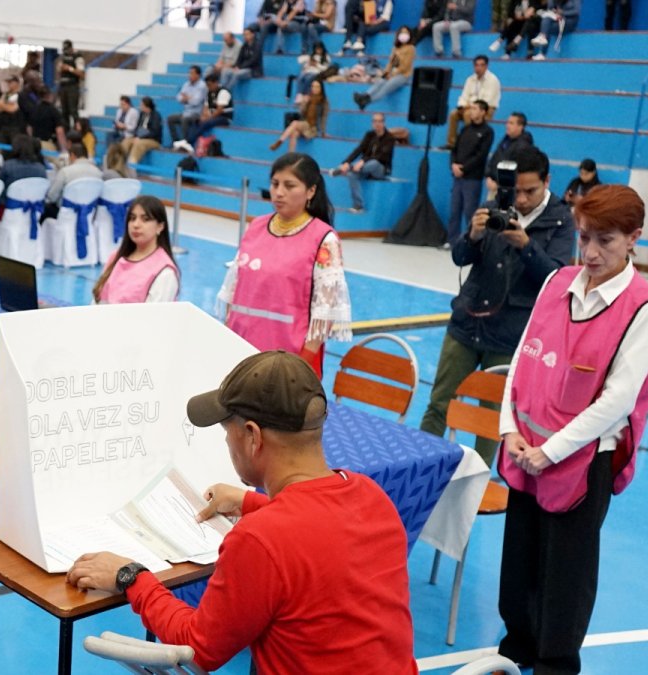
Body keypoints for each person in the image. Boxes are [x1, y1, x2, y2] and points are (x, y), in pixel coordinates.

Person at [66, 350, 416, 675]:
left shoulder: (260, 539)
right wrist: (250, 503)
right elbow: (320, 531)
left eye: (225, 429)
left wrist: (132, 577)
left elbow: (198, 647)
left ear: (253, 437)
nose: (225, 441)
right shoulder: (372, 495)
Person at [497, 184, 648, 675]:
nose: (590, 252)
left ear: (634, 238)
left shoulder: (645, 307)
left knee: (565, 575)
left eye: (606, 241)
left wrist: (551, 452)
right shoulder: (557, 284)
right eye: (584, 237)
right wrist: (510, 429)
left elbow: (618, 400)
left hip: (580, 461)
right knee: (520, 563)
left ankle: (555, 663)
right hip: (525, 448)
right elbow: (523, 356)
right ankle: (517, 646)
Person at [420, 146, 574, 465]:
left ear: (548, 181)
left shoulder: (561, 222)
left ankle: (473, 490)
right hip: (468, 323)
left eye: (529, 191)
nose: (520, 200)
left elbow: (557, 282)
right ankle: (418, 466)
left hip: (510, 335)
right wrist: (474, 236)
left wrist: (527, 247)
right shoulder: (494, 206)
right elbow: (460, 258)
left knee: (492, 419)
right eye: (514, 191)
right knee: (439, 403)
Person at [219, 153, 351, 376]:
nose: (279, 192)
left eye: (290, 185)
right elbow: (234, 291)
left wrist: (302, 364)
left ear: (311, 191)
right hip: (240, 353)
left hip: (289, 361)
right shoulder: (256, 227)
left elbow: (324, 312)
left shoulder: (324, 240)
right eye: (275, 184)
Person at [91, 196, 179, 303]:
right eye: (132, 218)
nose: (136, 225)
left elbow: (155, 316)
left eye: (145, 219)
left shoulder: (165, 272)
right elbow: (97, 301)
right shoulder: (116, 257)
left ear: (160, 226)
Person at [446, 100, 495, 244]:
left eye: (474, 108)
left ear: (483, 112)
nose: (471, 112)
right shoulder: (465, 129)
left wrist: (464, 168)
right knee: (454, 210)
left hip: (472, 178)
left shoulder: (487, 132)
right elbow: (455, 149)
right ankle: (451, 240)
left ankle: (470, 240)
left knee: (470, 211)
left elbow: (481, 155)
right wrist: (453, 165)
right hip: (458, 177)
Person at [333, 112, 395, 213]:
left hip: (380, 169)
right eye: (375, 121)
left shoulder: (389, 138)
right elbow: (359, 149)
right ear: (372, 123)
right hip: (365, 168)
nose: (377, 124)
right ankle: (358, 206)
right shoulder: (369, 135)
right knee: (351, 175)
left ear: (384, 123)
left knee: (374, 163)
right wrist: (347, 161)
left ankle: (344, 169)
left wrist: (363, 161)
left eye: (380, 121)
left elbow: (381, 156)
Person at [352, 25, 415, 109]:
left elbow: (405, 66)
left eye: (406, 33)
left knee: (386, 87)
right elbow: (390, 63)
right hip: (392, 73)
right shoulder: (396, 48)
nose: (404, 34)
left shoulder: (411, 48)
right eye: (402, 32)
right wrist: (386, 72)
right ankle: (365, 95)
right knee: (380, 81)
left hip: (403, 75)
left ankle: (367, 101)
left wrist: (392, 74)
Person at [445, 55, 500, 149]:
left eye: (481, 65)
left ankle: (470, 143)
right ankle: (452, 144)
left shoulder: (493, 80)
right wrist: (461, 106)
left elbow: (486, 102)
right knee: (453, 114)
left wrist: (470, 107)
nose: (478, 68)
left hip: (486, 109)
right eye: (476, 65)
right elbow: (464, 96)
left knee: (468, 114)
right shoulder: (470, 79)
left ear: (486, 66)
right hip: (469, 106)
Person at [174, 74, 233, 153]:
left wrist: (208, 118)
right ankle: (187, 141)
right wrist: (203, 116)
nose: (208, 87)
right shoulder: (209, 92)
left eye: (210, 85)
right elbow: (205, 107)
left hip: (224, 117)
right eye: (207, 85)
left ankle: (188, 143)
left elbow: (219, 110)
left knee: (205, 123)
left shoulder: (223, 92)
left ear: (216, 83)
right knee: (197, 121)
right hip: (213, 116)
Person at [269, 79, 328, 153]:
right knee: (294, 133)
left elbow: (324, 117)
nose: (314, 89)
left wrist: (323, 132)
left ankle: (279, 142)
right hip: (304, 124)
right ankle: (290, 155)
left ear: (321, 88)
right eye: (313, 86)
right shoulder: (308, 98)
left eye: (317, 87)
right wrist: (304, 103)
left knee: (294, 123)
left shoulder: (324, 101)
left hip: (313, 128)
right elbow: (302, 113)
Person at [485, 112, 533, 199]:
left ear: (520, 126)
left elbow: (516, 169)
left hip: (508, 191)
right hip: (494, 186)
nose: (507, 125)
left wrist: (499, 183)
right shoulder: (505, 140)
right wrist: (488, 176)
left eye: (511, 123)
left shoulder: (523, 146)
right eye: (507, 122)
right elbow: (494, 159)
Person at [46, 134, 103, 205]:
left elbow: (52, 197)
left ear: (72, 155)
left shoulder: (65, 172)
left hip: (67, 211)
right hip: (90, 212)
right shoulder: (98, 173)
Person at [117, 96, 163, 174]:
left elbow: (154, 132)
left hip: (153, 140)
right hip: (140, 137)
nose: (140, 106)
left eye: (142, 105)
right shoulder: (142, 114)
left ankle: (131, 166)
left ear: (147, 106)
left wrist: (140, 137)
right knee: (126, 141)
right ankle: (119, 165)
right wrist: (136, 136)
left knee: (138, 144)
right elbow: (137, 128)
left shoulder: (156, 116)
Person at [168, 66, 207, 147]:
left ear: (198, 75)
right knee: (170, 118)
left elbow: (196, 101)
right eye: (189, 73)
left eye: (192, 73)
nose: (189, 75)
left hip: (196, 113)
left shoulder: (202, 86)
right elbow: (178, 97)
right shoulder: (186, 84)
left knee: (184, 119)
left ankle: (185, 143)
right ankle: (175, 142)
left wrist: (186, 99)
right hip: (186, 111)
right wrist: (188, 98)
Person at [219, 27, 263, 91]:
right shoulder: (244, 46)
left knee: (236, 74)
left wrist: (240, 67)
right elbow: (239, 59)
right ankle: (221, 89)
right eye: (244, 34)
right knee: (226, 71)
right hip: (242, 68)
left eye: (247, 34)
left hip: (253, 70)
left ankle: (226, 91)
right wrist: (237, 66)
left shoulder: (257, 46)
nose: (245, 36)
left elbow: (253, 60)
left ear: (252, 35)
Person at [57, 39, 85, 130]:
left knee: (73, 111)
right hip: (63, 86)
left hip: (72, 86)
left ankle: (78, 130)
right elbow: (58, 71)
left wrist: (69, 69)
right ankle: (67, 132)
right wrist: (60, 68)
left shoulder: (78, 57)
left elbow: (81, 74)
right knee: (64, 111)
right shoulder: (63, 57)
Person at [0, 76, 28, 144]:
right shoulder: (5, 94)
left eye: (11, 82)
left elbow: (13, 109)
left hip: (15, 127)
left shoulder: (21, 95)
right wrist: (7, 105)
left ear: (17, 83)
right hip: (4, 126)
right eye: (8, 82)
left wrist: (3, 105)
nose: (9, 84)